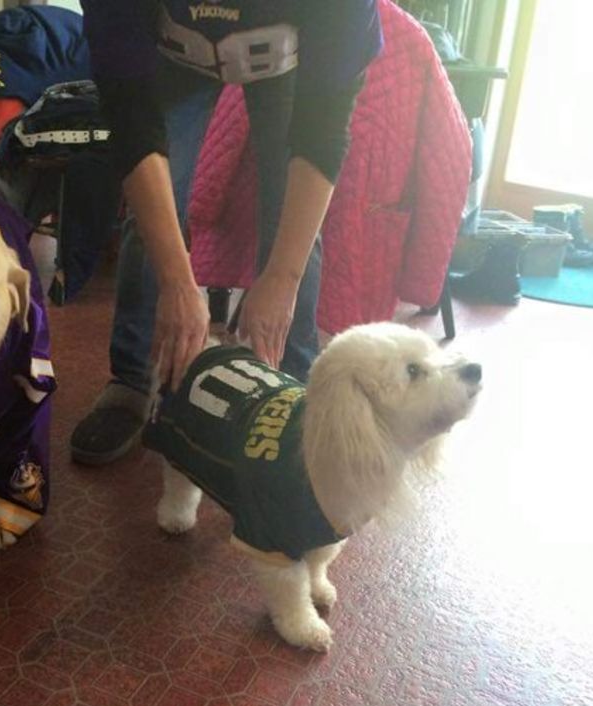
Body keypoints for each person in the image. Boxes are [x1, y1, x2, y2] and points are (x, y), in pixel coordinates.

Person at [71, 0, 383, 465]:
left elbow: (321, 135)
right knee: (155, 209)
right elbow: (133, 122)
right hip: (168, 50)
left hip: (289, 52)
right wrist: (177, 282)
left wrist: (282, 279)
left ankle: (289, 388)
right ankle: (133, 381)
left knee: (289, 226)